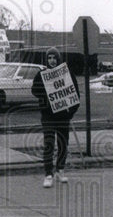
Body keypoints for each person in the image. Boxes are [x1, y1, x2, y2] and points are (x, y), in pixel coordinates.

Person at [31, 47, 80, 188]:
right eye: (49, 58)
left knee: (63, 143)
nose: (52, 61)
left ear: (58, 59)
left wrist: (71, 112)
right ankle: (48, 173)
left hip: (63, 115)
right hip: (48, 116)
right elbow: (34, 90)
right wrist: (46, 93)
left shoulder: (66, 73)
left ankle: (60, 169)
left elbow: (75, 93)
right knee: (49, 144)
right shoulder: (42, 74)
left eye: (54, 58)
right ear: (46, 60)